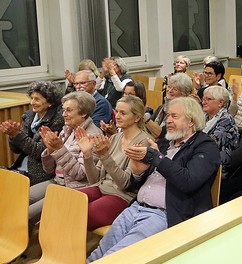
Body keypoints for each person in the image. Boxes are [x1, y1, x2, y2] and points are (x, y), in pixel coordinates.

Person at [87, 97, 220, 261]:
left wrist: (157, 158)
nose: (168, 121)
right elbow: (137, 183)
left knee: (117, 257)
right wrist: (138, 173)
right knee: (99, 253)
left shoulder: (206, 147)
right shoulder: (165, 143)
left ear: (191, 121)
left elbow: (188, 181)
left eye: (174, 116)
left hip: (164, 214)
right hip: (135, 207)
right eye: (168, 116)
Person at [76, 95, 152, 230]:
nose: (117, 116)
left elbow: (125, 184)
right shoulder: (115, 138)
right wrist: (87, 154)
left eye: (123, 113)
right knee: (65, 203)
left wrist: (104, 155)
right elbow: (94, 179)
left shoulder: (144, 142)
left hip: (121, 196)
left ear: (137, 118)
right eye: (117, 111)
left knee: (80, 216)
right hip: (100, 188)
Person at [32, 91, 101, 224]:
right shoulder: (67, 130)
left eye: (68, 110)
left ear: (83, 113)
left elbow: (81, 174)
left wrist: (59, 149)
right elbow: (50, 171)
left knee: (28, 215)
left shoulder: (93, 136)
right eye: (63, 110)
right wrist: (50, 150)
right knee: (19, 199)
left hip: (75, 188)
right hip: (57, 181)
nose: (64, 114)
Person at [0, 81, 64, 186]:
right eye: (32, 98)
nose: (32, 102)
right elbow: (16, 150)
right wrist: (12, 135)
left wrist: (17, 135)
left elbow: (41, 153)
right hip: (21, 166)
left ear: (50, 103)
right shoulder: (29, 116)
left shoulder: (57, 120)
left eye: (37, 99)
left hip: (39, 173)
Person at [202, 86, 239, 176]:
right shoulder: (204, 117)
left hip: (219, 167)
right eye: (203, 99)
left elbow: (210, 143)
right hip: (204, 160)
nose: (203, 102)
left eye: (208, 99)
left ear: (221, 102)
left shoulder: (226, 120)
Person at [147, 73, 193, 139]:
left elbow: (162, 134)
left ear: (184, 94)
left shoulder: (184, 112)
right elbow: (147, 127)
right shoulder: (162, 107)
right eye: (169, 87)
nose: (169, 90)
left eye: (175, 89)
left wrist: (143, 117)